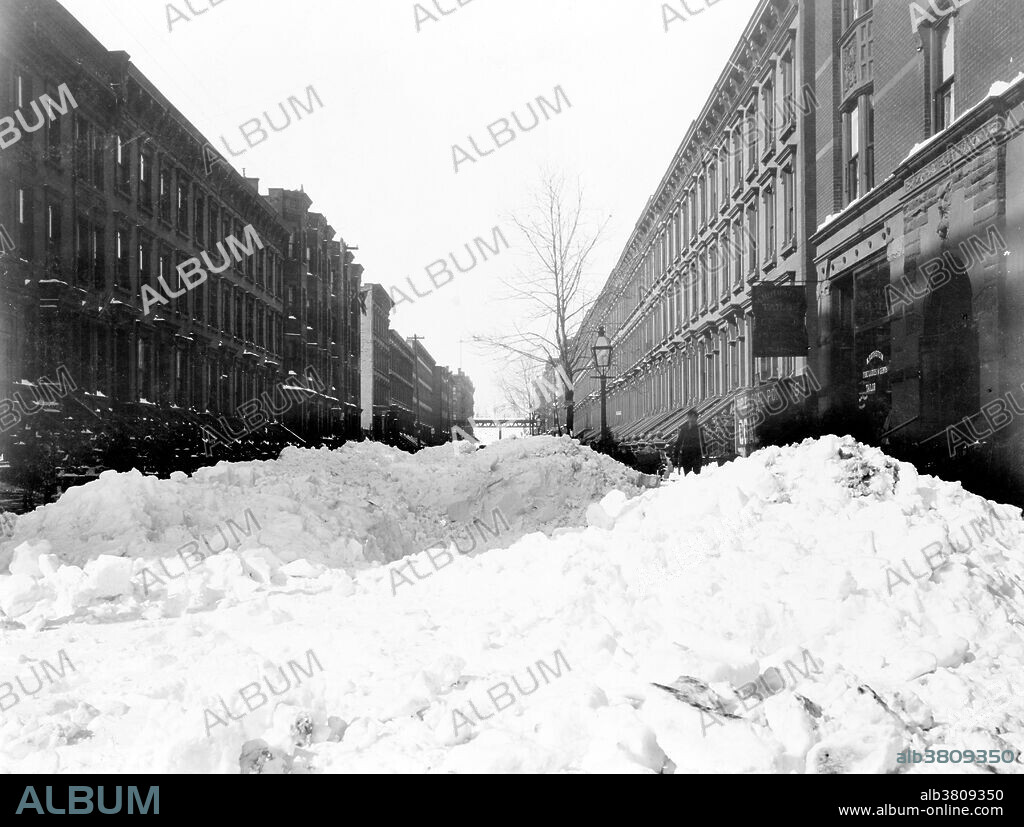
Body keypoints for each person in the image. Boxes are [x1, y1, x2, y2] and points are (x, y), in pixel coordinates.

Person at [672, 410, 703, 476]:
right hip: (686, 455)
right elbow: (679, 442)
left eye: (693, 417)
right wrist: (675, 456)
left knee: (696, 475)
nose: (691, 419)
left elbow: (703, 442)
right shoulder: (684, 429)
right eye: (690, 417)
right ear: (688, 418)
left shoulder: (699, 429)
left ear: (696, 418)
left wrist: (705, 454)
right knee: (687, 474)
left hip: (696, 455)